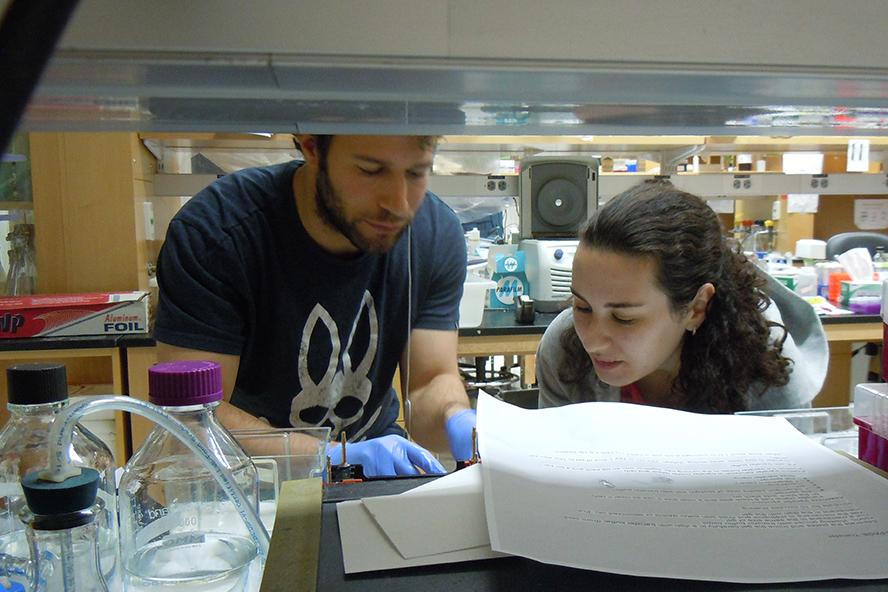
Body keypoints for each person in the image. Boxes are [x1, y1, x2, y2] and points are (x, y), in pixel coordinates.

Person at [154, 135, 477, 476]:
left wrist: (456, 417)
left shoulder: (434, 234)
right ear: (311, 148)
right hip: (247, 476)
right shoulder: (217, 233)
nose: (398, 204)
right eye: (370, 171)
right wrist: (333, 456)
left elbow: (429, 382)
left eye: (416, 173)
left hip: (371, 465)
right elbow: (194, 418)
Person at [537, 180, 828, 413]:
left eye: (624, 318)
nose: (593, 340)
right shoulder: (566, 349)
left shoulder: (763, 365)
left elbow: (785, 481)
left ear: (697, 308)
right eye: (582, 307)